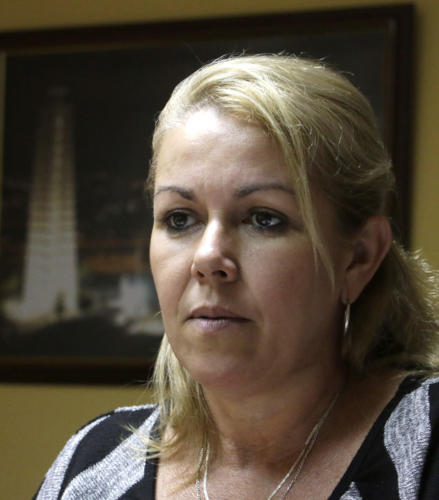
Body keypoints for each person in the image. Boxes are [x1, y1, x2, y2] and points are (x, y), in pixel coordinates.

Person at [34, 54, 439, 500]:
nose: (208, 257)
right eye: (180, 218)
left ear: (358, 258)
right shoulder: (92, 466)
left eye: (264, 219)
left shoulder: (425, 447)